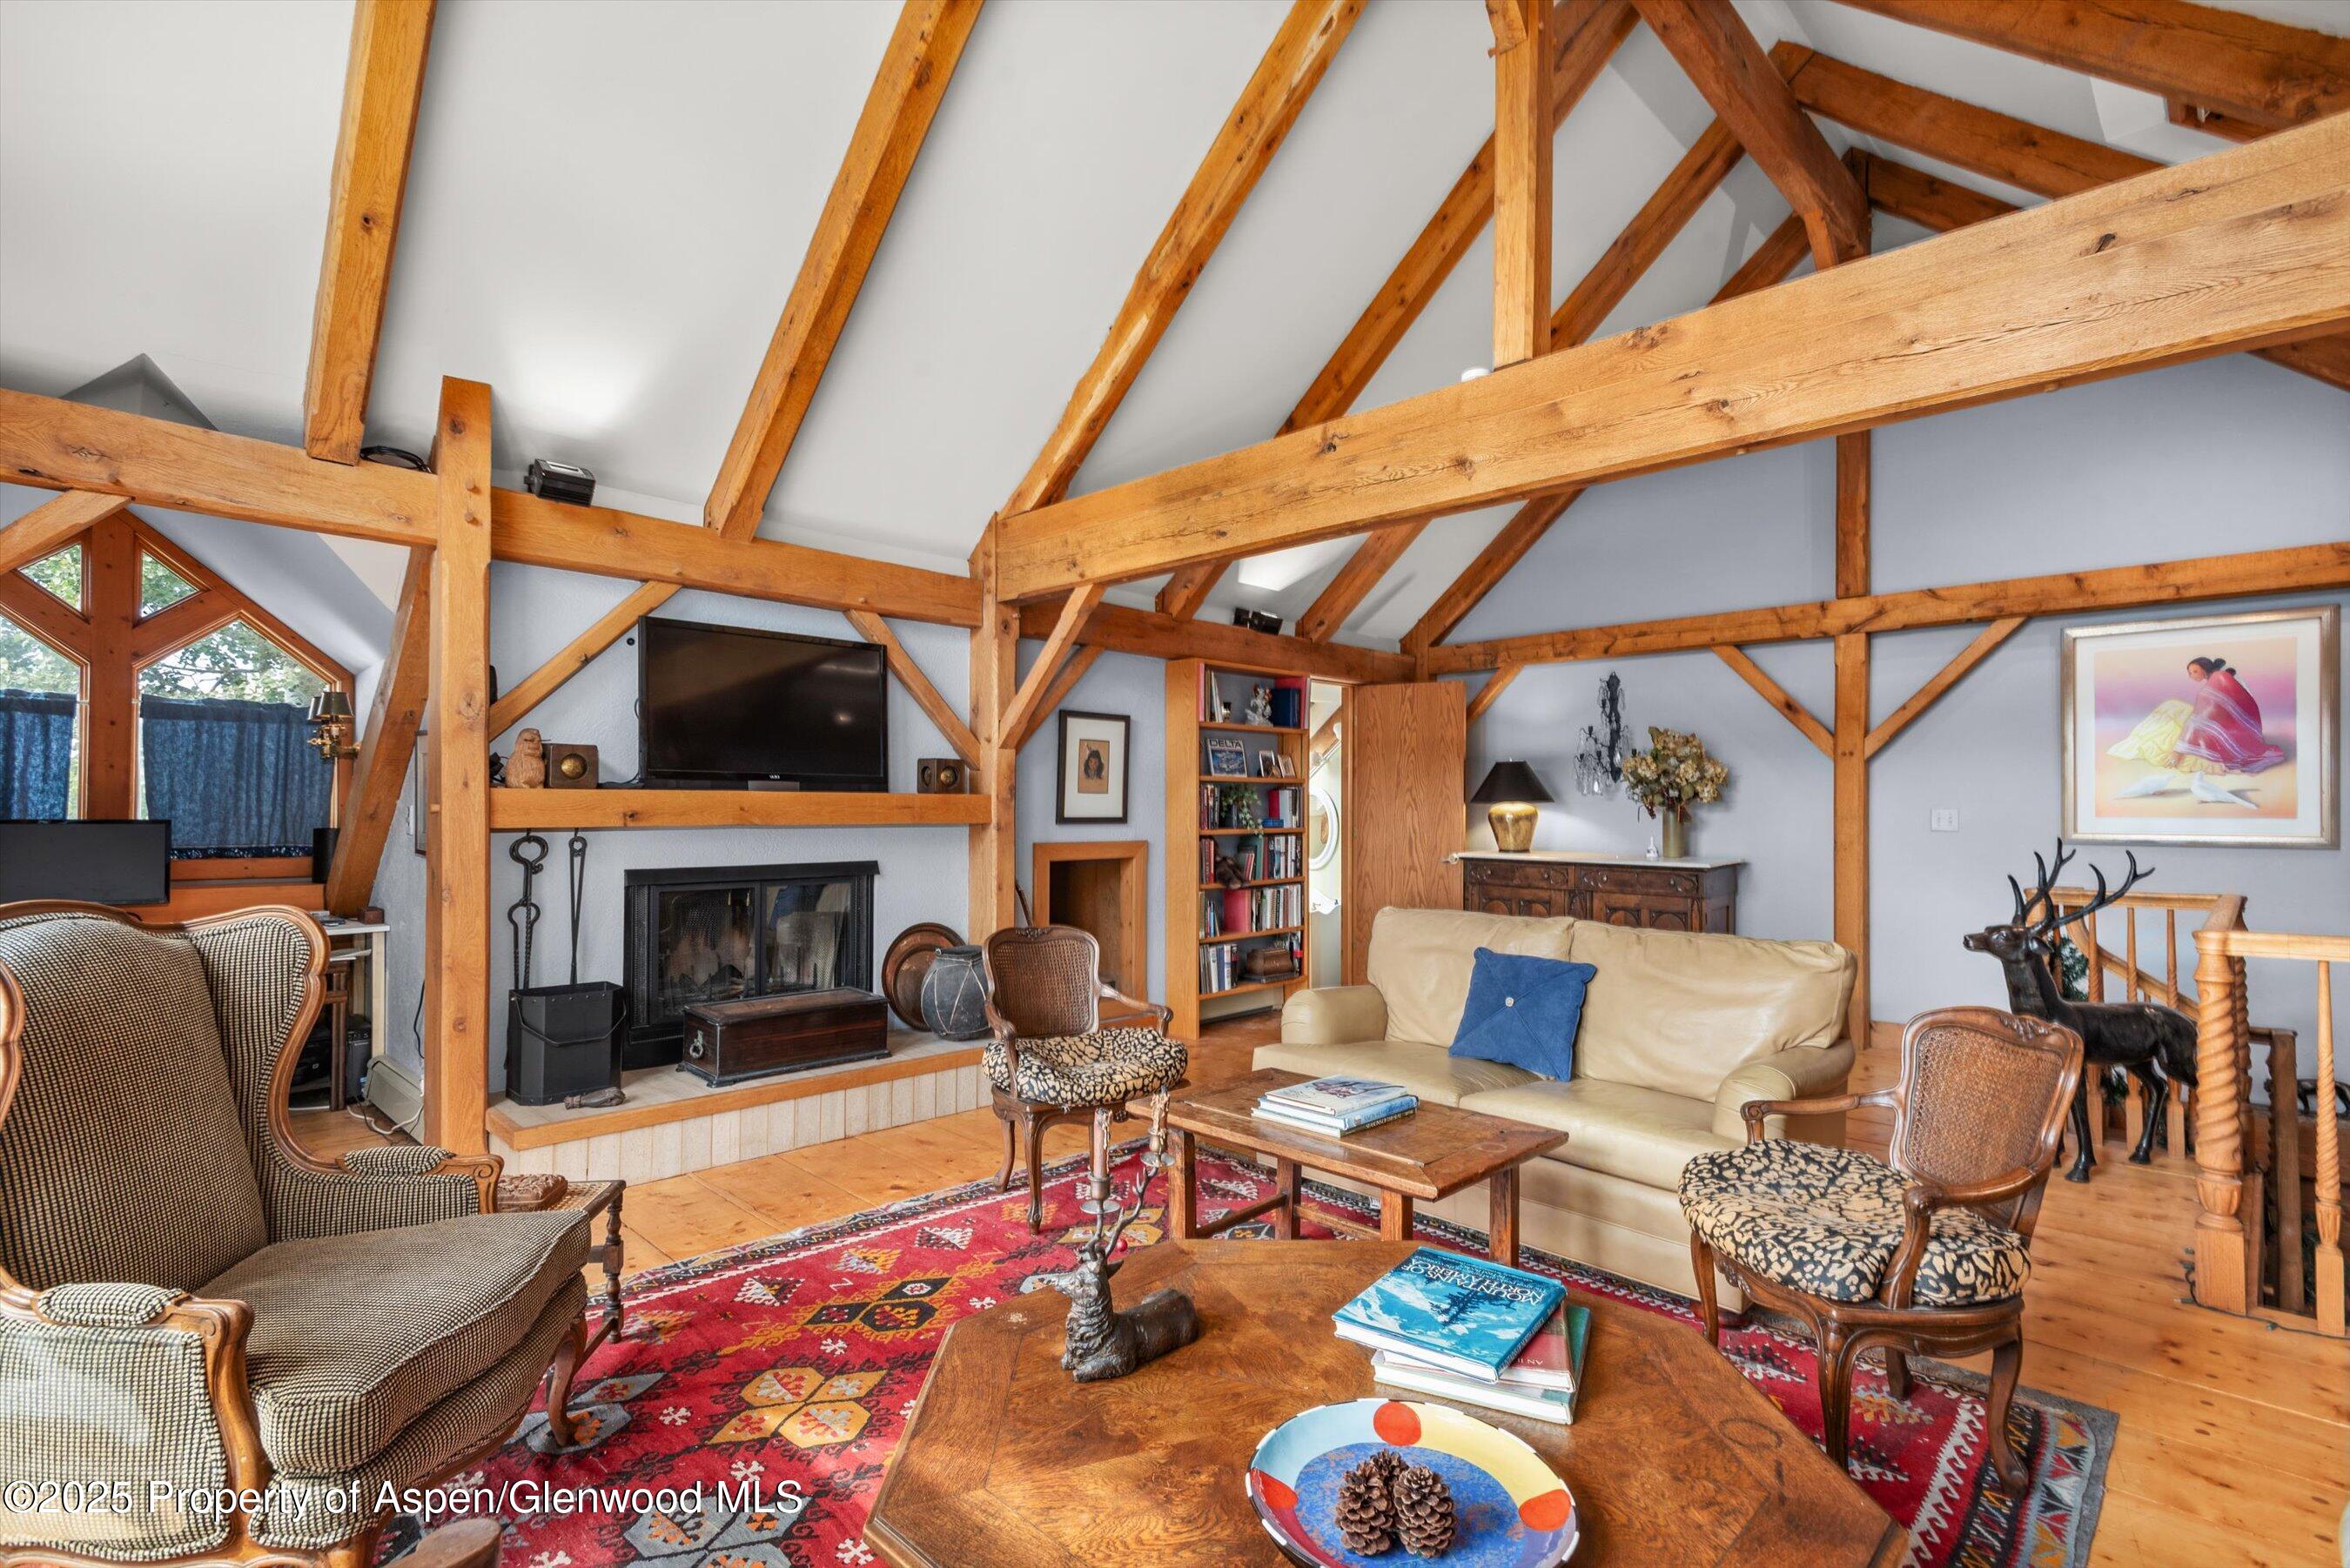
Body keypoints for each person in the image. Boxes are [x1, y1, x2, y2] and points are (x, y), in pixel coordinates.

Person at [2106, 654, 2283, 807]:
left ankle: (2157, 746)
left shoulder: (2218, 680)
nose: (2191, 676)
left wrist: (2178, 751)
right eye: (2189, 673)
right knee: (2171, 708)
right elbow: (2207, 712)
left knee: (2172, 720)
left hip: (2229, 729)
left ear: (2204, 669)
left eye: (2194, 671)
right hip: (2222, 722)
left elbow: (2202, 718)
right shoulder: (2218, 678)